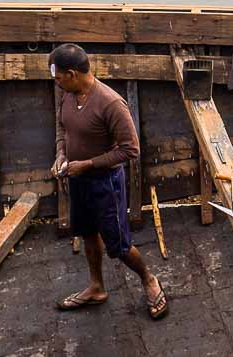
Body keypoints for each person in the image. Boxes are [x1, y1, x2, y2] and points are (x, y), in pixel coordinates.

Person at [50, 43, 168, 320]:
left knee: (119, 245)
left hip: (105, 184)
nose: (55, 83)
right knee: (88, 233)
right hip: (77, 181)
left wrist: (88, 164)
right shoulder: (67, 95)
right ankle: (97, 287)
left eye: (58, 78)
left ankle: (149, 280)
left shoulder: (111, 103)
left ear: (72, 74)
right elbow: (62, 127)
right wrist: (61, 154)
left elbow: (130, 150)